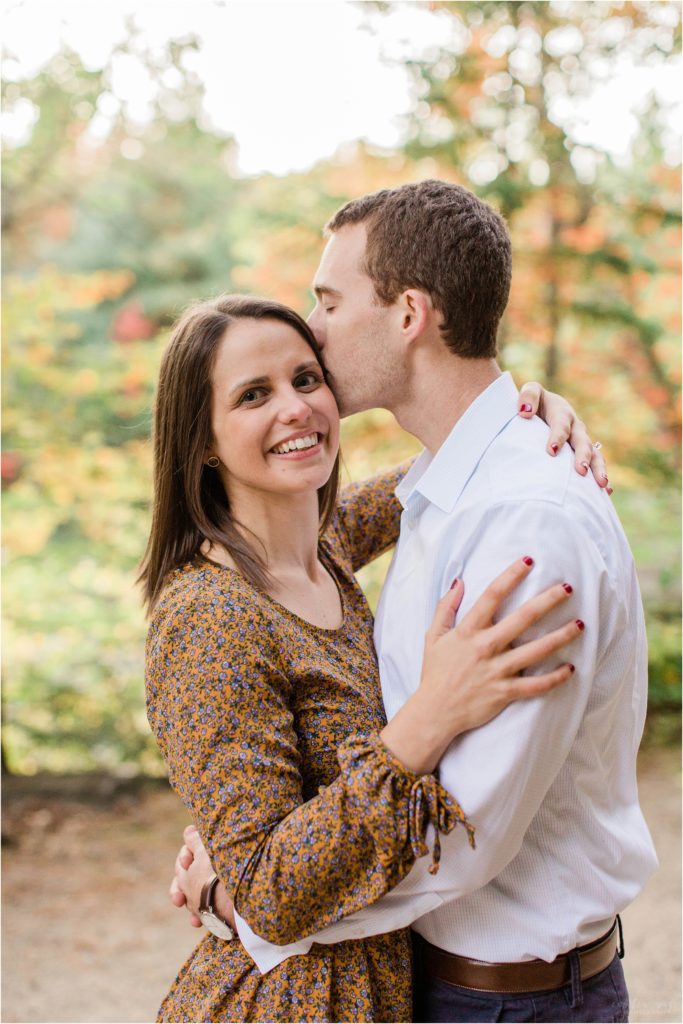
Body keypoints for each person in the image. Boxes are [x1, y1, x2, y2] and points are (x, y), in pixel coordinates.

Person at [173, 181, 657, 1024]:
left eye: (327, 302)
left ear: (408, 314)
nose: (313, 335)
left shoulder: (521, 520)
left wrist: (247, 901)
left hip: (506, 1002)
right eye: (254, 394)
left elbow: (463, 835)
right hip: (441, 987)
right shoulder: (441, 491)